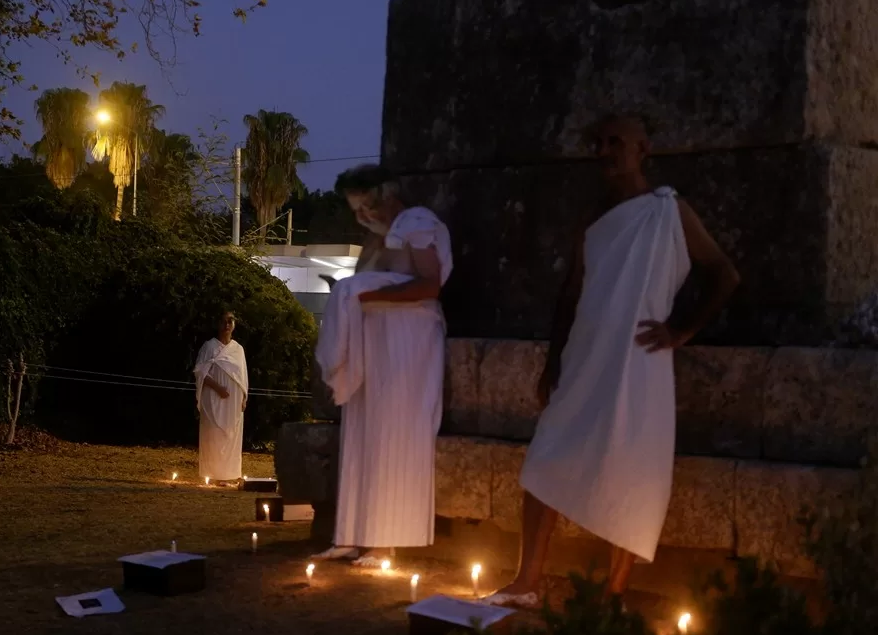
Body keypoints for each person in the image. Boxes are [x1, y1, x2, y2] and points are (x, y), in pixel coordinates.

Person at [484, 115, 740, 607]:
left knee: (631, 469)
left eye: (615, 142)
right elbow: (571, 292)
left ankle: (612, 595)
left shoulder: (668, 210)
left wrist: (681, 331)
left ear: (643, 149)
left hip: (639, 359)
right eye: (598, 143)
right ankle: (526, 582)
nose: (604, 151)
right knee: (546, 457)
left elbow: (725, 275)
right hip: (585, 355)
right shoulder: (595, 217)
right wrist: (553, 362)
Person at [313, 165, 452, 566]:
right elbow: (364, 282)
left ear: (387, 197)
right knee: (361, 433)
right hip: (374, 340)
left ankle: (384, 541)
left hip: (407, 342)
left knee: (394, 433)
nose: (362, 218)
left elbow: (429, 284)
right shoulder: (377, 237)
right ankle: (351, 534)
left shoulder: (417, 223)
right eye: (356, 212)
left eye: (367, 208)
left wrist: (364, 297)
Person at [193, 311, 248, 484]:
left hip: (233, 402)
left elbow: (243, 376)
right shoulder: (209, 347)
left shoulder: (238, 349)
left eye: (230, 321)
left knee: (231, 435)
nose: (227, 325)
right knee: (214, 433)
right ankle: (213, 474)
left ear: (234, 325)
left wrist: (244, 397)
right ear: (218, 324)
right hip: (213, 397)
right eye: (223, 321)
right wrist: (218, 388)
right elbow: (200, 371)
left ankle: (229, 474)